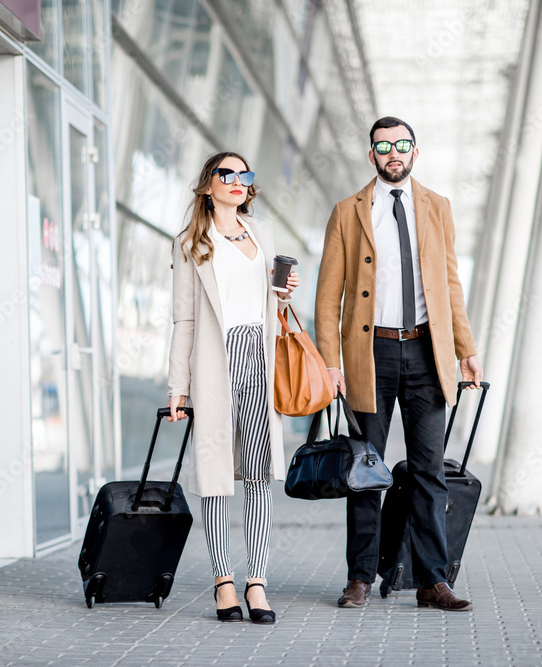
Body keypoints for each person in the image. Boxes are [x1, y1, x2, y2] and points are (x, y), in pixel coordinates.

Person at [314, 116, 483, 611]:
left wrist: (465, 348)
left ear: (414, 151)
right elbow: (327, 298)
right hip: (371, 353)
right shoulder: (347, 212)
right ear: (371, 155)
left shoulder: (437, 206)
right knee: (366, 470)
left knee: (429, 473)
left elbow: (450, 284)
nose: (394, 153)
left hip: (428, 352)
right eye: (384, 146)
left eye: (402, 144)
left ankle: (433, 581)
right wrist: (330, 362)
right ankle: (360, 577)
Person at [166, 151, 299, 624]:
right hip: (215, 362)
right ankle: (224, 580)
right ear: (208, 185)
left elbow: (269, 307)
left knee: (260, 473)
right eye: (229, 174)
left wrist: (282, 294)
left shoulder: (260, 232)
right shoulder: (190, 243)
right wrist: (177, 389)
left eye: (246, 174)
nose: (239, 181)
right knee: (218, 474)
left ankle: (257, 580)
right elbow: (184, 319)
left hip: (258, 360)